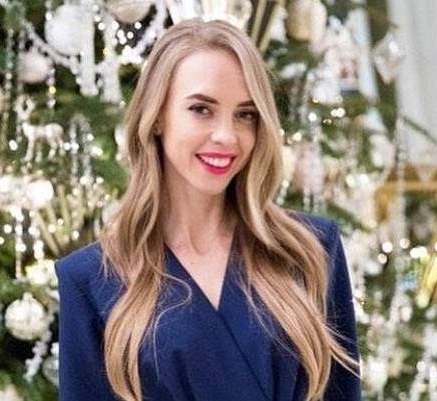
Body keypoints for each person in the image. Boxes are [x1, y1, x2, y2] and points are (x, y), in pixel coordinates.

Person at [56, 18, 362, 401]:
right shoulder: (90, 279)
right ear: (157, 117)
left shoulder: (310, 250)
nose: (226, 136)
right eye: (202, 109)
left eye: (245, 114)